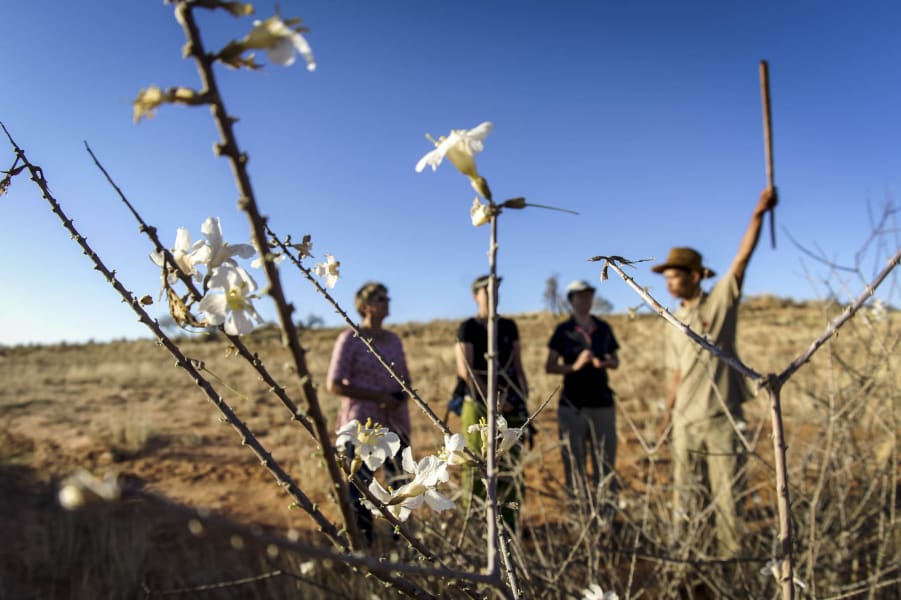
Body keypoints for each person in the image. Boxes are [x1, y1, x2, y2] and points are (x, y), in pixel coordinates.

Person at [654, 187, 778, 558]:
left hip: (722, 419)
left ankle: (730, 569)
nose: (668, 282)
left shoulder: (721, 303)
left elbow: (741, 259)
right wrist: (668, 418)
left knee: (728, 501)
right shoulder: (672, 320)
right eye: (667, 276)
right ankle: (689, 565)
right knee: (687, 500)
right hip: (685, 422)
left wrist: (757, 214)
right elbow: (676, 373)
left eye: (674, 275)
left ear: (694, 276)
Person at [326, 281, 411, 544]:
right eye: (380, 298)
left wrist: (399, 396)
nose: (387, 302)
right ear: (364, 306)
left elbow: (406, 380)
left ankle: (405, 542)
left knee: (400, 484)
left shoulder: (394, 340)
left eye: (387, 297)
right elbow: (334, 384)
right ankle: (365, 545)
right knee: (361, 487)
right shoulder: (350, 339)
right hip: (361, 426)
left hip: (395, 423)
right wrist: (377, 397)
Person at [455, 274, 530, 530]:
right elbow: (466, 371)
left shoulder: (509, 326)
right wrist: (492, 403)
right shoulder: (468, 327)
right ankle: (476, 524)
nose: (493, 294)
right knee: (477, 462)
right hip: (478, 404)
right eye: (487, 290)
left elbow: (518, 365)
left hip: (512, 403)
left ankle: (508, 525)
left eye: (496, 289)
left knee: (509, 463)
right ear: (475, 296)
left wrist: (522, 397)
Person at [545, 280, 620, 500]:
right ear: (571, 300)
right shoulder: (563, 331)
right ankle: (577, 514)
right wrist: (574, 366)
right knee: (574, 462)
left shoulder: (603, 328)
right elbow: (549, 366)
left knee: (605, 461)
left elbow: (616, 361)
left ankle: (605, 514)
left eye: (588, 296)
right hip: (572, 405)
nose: (585, 300)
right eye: (580, 296)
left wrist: (605, 363)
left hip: (602, 403)